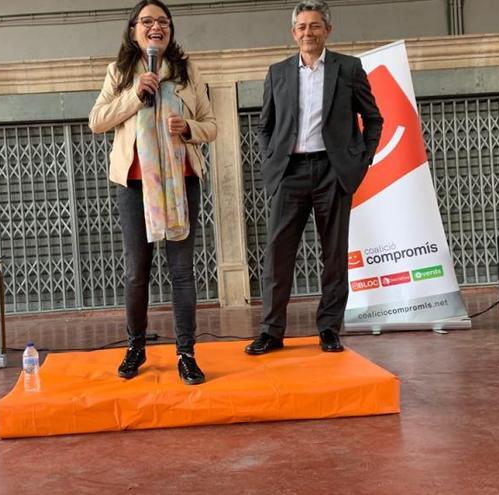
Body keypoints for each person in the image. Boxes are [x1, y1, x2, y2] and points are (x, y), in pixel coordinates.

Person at [89, 0, 217, 385]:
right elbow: (97, 121)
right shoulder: (120, 71)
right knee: (136, 272)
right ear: (134, 31)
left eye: (163, 21)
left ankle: (186, 354)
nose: (155, 27)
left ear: (171, 30)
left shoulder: (187, 71)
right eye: (147, 21)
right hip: (134, 184)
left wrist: (189, 127)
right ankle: (135, 348)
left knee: (182, 272)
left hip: (182, 182)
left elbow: (211, 125)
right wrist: (135, 94)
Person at [245, 0, 383, 356]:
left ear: (328, 30)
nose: (308, 32)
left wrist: (360, 161)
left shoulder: (349, 69)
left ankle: (329, 329)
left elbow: (374, 119)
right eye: (302, 27)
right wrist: (273, 158)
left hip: (332, 172)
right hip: (289, 173)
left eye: (315, 25)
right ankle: (271, 331)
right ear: (294, 33)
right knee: (278, 255)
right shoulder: (277, 72)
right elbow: (265, 126)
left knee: (334, 255)